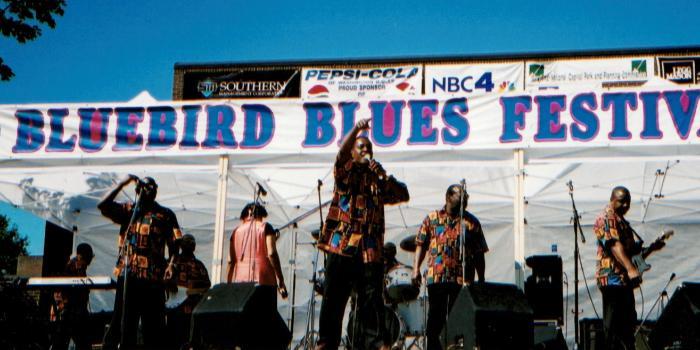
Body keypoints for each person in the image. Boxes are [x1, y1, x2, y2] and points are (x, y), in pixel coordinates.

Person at [315, 118, 410, 350]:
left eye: (369, 147)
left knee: (371, 302)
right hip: (342, 246)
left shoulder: (377, 180)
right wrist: (356, 129)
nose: (366, 150)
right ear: (354, 153)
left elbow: (403, 195)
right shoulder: (345, 173)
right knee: (334, 300)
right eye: (361, 147)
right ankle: (326, 343)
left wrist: (385, 177)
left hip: (369, 250)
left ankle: (376, 343)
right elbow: (341, 153)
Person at [99, 175, 182, 350]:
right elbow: (103, 206)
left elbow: (176, 244)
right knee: (123, 323)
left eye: (152, 187)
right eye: (145, 187)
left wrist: (172, 264)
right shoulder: (129, 211)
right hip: (128, 274)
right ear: (138, 190)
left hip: (153, 277)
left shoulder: (165, 214)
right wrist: (123, 183)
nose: (149, 190)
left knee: (154, 327)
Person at [412, 184, 488, 350]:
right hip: (437, 277)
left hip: (461, 279)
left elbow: (479, 253)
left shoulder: (471, 223)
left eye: (464, 197)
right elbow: (420, 244)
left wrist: (481, 279)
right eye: (458, 196)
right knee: (436, 320)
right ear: (448, 197)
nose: (462, 199)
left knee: (458, 320)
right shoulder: (432, 218)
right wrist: (416, 269)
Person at [594, 186, 644, 350]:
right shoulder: (606, 218)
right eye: (622, 202)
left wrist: (653, 248)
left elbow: (629, 254)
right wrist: (630, 268)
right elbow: (614, 246)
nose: (626, 206)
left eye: (628, 202)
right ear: (612, 199)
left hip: (624, 282)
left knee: (628, 328)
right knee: (614, 330)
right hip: (612, 281)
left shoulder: (622, 221)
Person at [227, 202, 288, 305]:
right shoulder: (266, 227)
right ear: (260, 215)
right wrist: (280, 279)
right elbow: (271, 253)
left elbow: (230, 261)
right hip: (264, 280)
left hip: (240, 282)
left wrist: (228, 284)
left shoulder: (235, 231)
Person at [167, 233, 211, 349]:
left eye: (190, 244)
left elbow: (207, 286)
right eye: (187, 243)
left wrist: (192, 291)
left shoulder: (198, 265)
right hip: (178, 309)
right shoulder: (174, 262)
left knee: (184, 340)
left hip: (186, 310)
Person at [50, 243, 95, 350]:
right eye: (88, 257)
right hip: (72, 312)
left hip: (73, 312)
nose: (90, 261)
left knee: (66, 342)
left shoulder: (78, 266)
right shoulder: (75, 266)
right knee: (78, 343)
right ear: (82, 257)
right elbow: (71, 291)